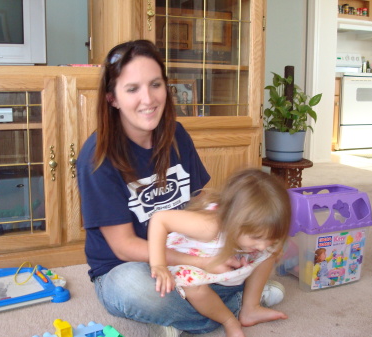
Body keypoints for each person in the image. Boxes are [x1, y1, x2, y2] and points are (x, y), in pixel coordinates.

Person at [76, 39, 285, 336]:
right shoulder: (97, 158)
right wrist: (202, 261)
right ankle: (233, 305)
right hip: (127, 265)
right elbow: (124, 247)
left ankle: (206, 306)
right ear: (113, 98)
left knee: (261, 243)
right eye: (132, 89)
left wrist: (225, 240)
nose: (148, 99)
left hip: (185, 245)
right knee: (136, 290)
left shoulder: (176, 133)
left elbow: (198, 201)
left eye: (155, 84)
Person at [149, 168, 290, 337]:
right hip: (189, 260)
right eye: (257, 237)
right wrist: (158, 264)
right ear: (234, 221)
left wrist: (271, 245)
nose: (262, 245)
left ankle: (250, 308)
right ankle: (228, 320)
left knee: (270, 253)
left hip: (221, 259)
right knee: (195, 289)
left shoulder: (256, 237)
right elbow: (160, 219)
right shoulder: (208, 226)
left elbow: (264, 245)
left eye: (271, 238)